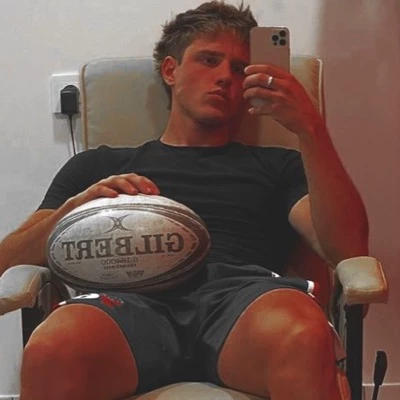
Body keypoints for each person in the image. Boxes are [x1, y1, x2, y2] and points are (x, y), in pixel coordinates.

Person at [0, 1, 368, 399]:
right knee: (53, 347)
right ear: (171, 71)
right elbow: (7, 260)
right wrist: (75, 211)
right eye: (209, 60)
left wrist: (309, 128)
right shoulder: (100, 165)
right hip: (127, 301)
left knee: (302, 333)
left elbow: (347, 248)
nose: (225, 77)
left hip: (243, 301)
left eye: (240, 69)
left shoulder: (280, 165)